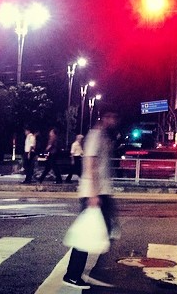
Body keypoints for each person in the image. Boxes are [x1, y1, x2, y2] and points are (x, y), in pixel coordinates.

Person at [63, 111, 119, 289]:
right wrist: (94, 194)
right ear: (104, 117)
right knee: (88, 234)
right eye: (111, 117)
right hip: (93, 192)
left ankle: (79, 271)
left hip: (101, 191)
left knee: (107, 229)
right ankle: (72, 275)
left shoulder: (103, 135)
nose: (114, 120)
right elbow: (90, 164)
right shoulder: (95, 135)